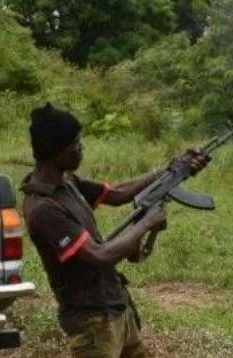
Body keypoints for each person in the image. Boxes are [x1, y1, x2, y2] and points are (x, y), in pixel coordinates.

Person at [21, 103, 207, 357]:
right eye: (76, 144)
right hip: (92, 326)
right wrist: (146, 222)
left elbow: (117, 194)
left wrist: (174, 170)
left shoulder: (67, 183)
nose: (81, 149)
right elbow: (99, 255)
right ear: (56, 151)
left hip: (115, 309)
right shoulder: (43, 209)